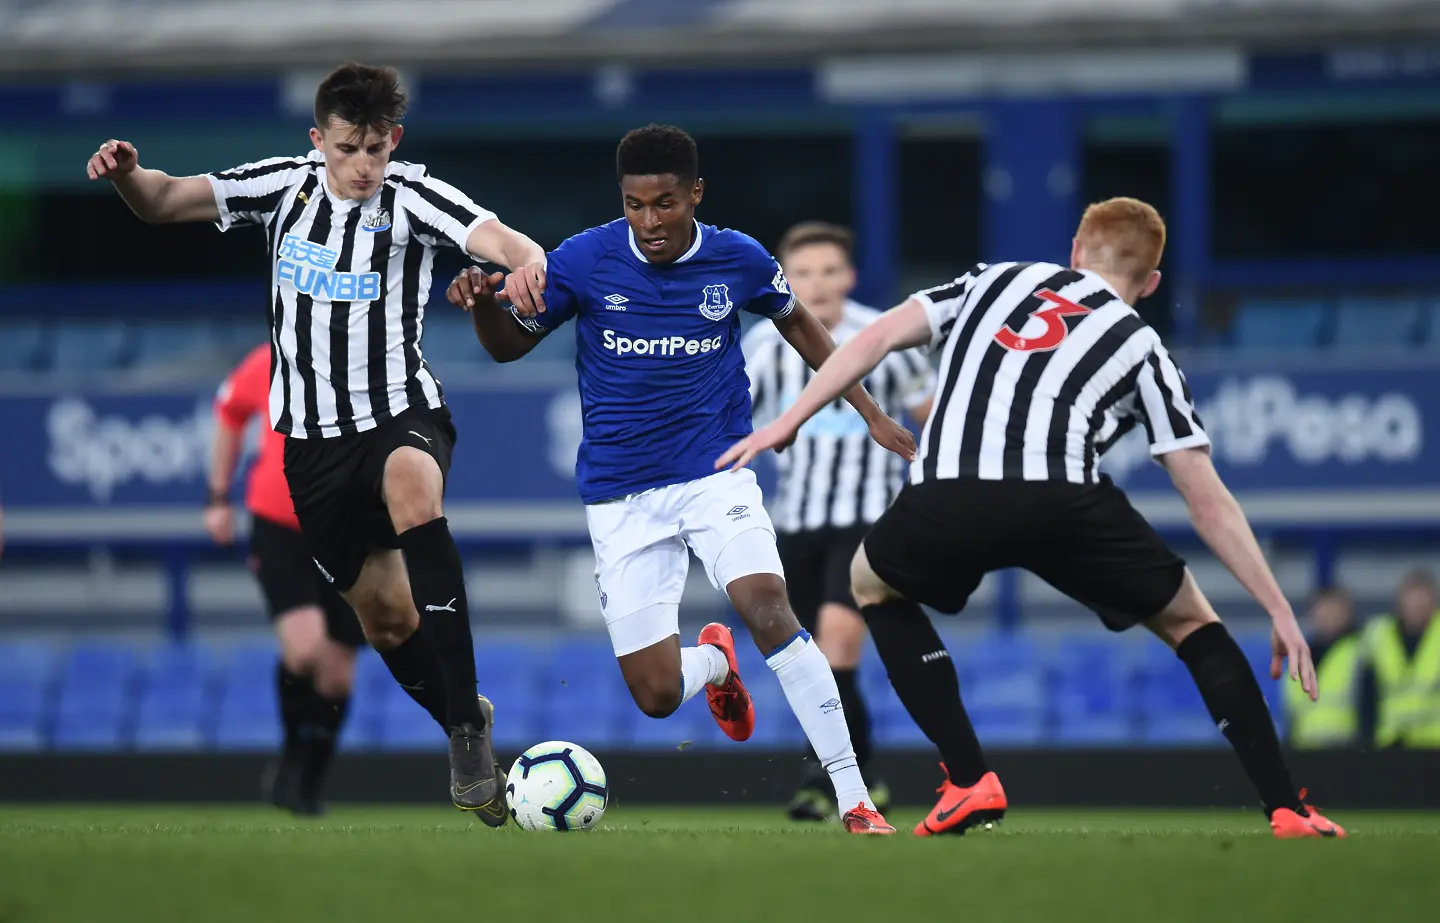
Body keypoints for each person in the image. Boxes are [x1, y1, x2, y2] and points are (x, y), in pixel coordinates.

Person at [719, 196, 1347, 839]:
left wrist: (788, 421)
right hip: (1066, 497)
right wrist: (1276, 608)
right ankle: (1287, 810)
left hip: (952, 489)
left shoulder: (996, 279)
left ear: (1076, 251)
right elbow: (1203, 493)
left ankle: (968, 779)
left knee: (873, 583)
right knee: (1193, 624)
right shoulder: (1143, 344)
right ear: (1151, 282)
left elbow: (874, 339)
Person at [86, 62, 549, 823]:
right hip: (310, 445)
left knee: (413, 489)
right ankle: (466, 717)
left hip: (400, 412)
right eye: (346, 148)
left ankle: (465, 726)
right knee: (388, 620)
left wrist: (528, 260)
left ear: (393, 139)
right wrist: (127, 176)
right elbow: (166, 200)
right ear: (318, 141)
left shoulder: (413, 195)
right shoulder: (281, 188)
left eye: (375, 148)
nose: (363, 165)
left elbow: (493, 233)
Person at [447, 124, 915, 834]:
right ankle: (716, 668)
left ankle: (853, 799)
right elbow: (510, 347)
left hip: (715, 471)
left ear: (695, 193)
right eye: (636, 205)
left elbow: (807, 330)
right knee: (658, 694)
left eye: (665, 203)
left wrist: (871, 412)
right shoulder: (585, 260)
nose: (650, 221)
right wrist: (483, 303)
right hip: (620, 494)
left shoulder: (740, 259)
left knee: (768, 606)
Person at [742, 221, 933, 821]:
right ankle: (863, 774)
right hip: (795, 524)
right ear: (784, 278)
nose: (817, 284)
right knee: (810, 658)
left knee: (838, 644)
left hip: (869, 523)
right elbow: (731, 423)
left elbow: (934, 420)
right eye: (803, 274)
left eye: (828, 272)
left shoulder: (882, 337)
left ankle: (821, 782)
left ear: (848, 277)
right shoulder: (763, 348)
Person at [207, 343, 368, 814]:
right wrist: (217, 495)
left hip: (345, 530)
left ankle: (312, 779)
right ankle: (290, 760)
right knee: (304, 649)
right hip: (279, 526)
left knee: (337, 676)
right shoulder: (267, 361)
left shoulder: (363, 355)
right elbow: (229, 413)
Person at [1361, 569, 1440, 748]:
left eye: (1423, 598)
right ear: (1400, 601)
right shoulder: (1379, 634)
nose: (1417, 605)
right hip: (1391, 742)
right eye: (1411, 598)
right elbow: (1368, 696)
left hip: (1434, 745)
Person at [1286, 585, 1363, 749]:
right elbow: (1291, 714)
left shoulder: (1360, 652)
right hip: (1304, 751)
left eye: (1334, 609)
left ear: (1347, 613)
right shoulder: (1299, 657)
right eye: (1322, 609)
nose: (1328, 615)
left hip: (1347, 751)